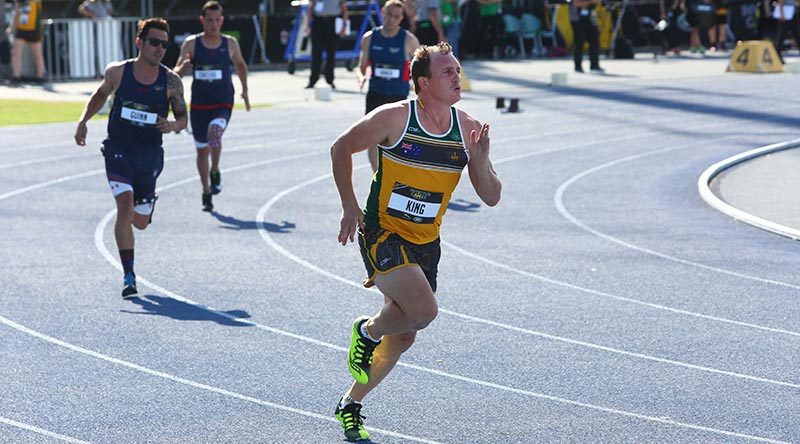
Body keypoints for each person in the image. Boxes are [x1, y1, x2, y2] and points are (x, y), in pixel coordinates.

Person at [330, 42, 502, 441]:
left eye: (457, 69)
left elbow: (491, 195)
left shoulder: (469, 128)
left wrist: (478, 161)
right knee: (424, 310)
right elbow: (341, 147)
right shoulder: (395, 118)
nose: (457, 76)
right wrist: (349, 206)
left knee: (405, 334)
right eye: (447, 72)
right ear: (424, 83)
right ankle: (367, 331)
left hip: (427, 242)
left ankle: (351, 404)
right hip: (383, 232)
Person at [74, 17, 188, 298]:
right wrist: (83, 120)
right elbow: (100, 95)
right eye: (154, 42)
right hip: (118, 149)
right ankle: (129, 276)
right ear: (139, 42)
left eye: (164, 44)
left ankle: (148, 204)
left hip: (150, 154)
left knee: (140, 222)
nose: (160, 49)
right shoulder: (118, 72)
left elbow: (183, 117)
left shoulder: (171, 82)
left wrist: (172, 126)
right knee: (124, 207)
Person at [173, 1, 250, 212]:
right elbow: (175, 74)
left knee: (214, 133)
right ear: (202, 20)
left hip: (223, 101)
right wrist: (183, 67)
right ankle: (206, 190)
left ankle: (215, 169)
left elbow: (241, 65)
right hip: (199, 105)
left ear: (222, 21)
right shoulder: (191, 44)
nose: (214, 24)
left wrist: (245, 90)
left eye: (217, 20)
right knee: (201, 152)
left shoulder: (230, 43)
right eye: (210, 20)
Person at [357, 0, 420, 172]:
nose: (391, 19)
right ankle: (377, 176)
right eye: (388, 14)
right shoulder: (369, 38)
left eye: (396, 16)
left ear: (401, 18)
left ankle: (397, 176)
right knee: (372, 139)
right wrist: (362, 77)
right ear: (382, 12)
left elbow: (421, 65)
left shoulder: (408, 39)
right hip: (375, 94)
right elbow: (361, 66)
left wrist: (418, 84)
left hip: (397, 97)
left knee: (395, 140)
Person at [305, 0, 348, 89]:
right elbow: (311, 6)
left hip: (333, 22)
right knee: (316, 53)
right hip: (318, 21)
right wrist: (308, 24)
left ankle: (330, 79)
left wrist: (344, 25)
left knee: (331, 53)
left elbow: (344, 8)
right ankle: (313, 79)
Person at [8, 0, 45, 83]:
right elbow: (16, 15)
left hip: (34, 30)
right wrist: (11, 28)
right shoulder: (19, 2)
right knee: (16, 53)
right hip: (21, 30)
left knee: (38, 54)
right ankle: (16, 76)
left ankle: (40, 76)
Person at [569, 0, 602, 72]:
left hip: (591, 18)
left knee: (595, 41)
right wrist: (590, 2)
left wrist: (588, 3)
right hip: (577, 19)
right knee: (579, 42)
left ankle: (594, 65)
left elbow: (598, 2)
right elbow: (577, 3)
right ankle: (578, 66)